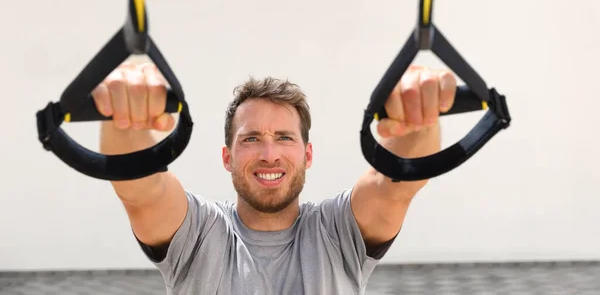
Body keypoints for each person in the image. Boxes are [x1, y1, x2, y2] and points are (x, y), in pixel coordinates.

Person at [93, 61, 457, 295]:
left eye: (284, 137)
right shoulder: (200, 233)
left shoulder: (337, 229)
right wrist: (124, 118)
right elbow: (143, 190)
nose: (269, 154)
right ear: (227, 158)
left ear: (307, 154)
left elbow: (396, 181)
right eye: (251, 139)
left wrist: (419, 117)